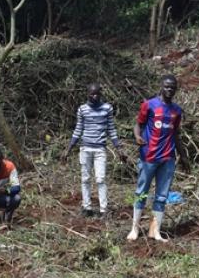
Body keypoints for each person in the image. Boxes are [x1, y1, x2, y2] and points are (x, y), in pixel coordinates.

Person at [127, 74, 190, 242]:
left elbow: (176, 134)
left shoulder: (176, 111)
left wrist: (183, 157)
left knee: (162, 195)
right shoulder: (149, 105)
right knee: (141, 192)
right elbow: (138, 124)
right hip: (149, 156)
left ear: (176, 90)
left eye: (173, 87)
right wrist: (137, 136)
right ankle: (134, 228)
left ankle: (155, 231)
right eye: (167, 86)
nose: (169, 90)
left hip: (168, 158)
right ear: (161, 86)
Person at [61, 83, 127, 218]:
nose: (95, 96)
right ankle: (87, 207)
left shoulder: (107, 108)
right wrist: (68, 149)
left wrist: (119, 149)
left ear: (101, 94)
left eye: (97, 93)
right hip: (85, 148)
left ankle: (104, 209)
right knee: (85, 178)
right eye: (92, 94)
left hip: (100, 149)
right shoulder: (82, 109)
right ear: (87, 94)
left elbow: (111, 130)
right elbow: (78, 130)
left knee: (100, 179)